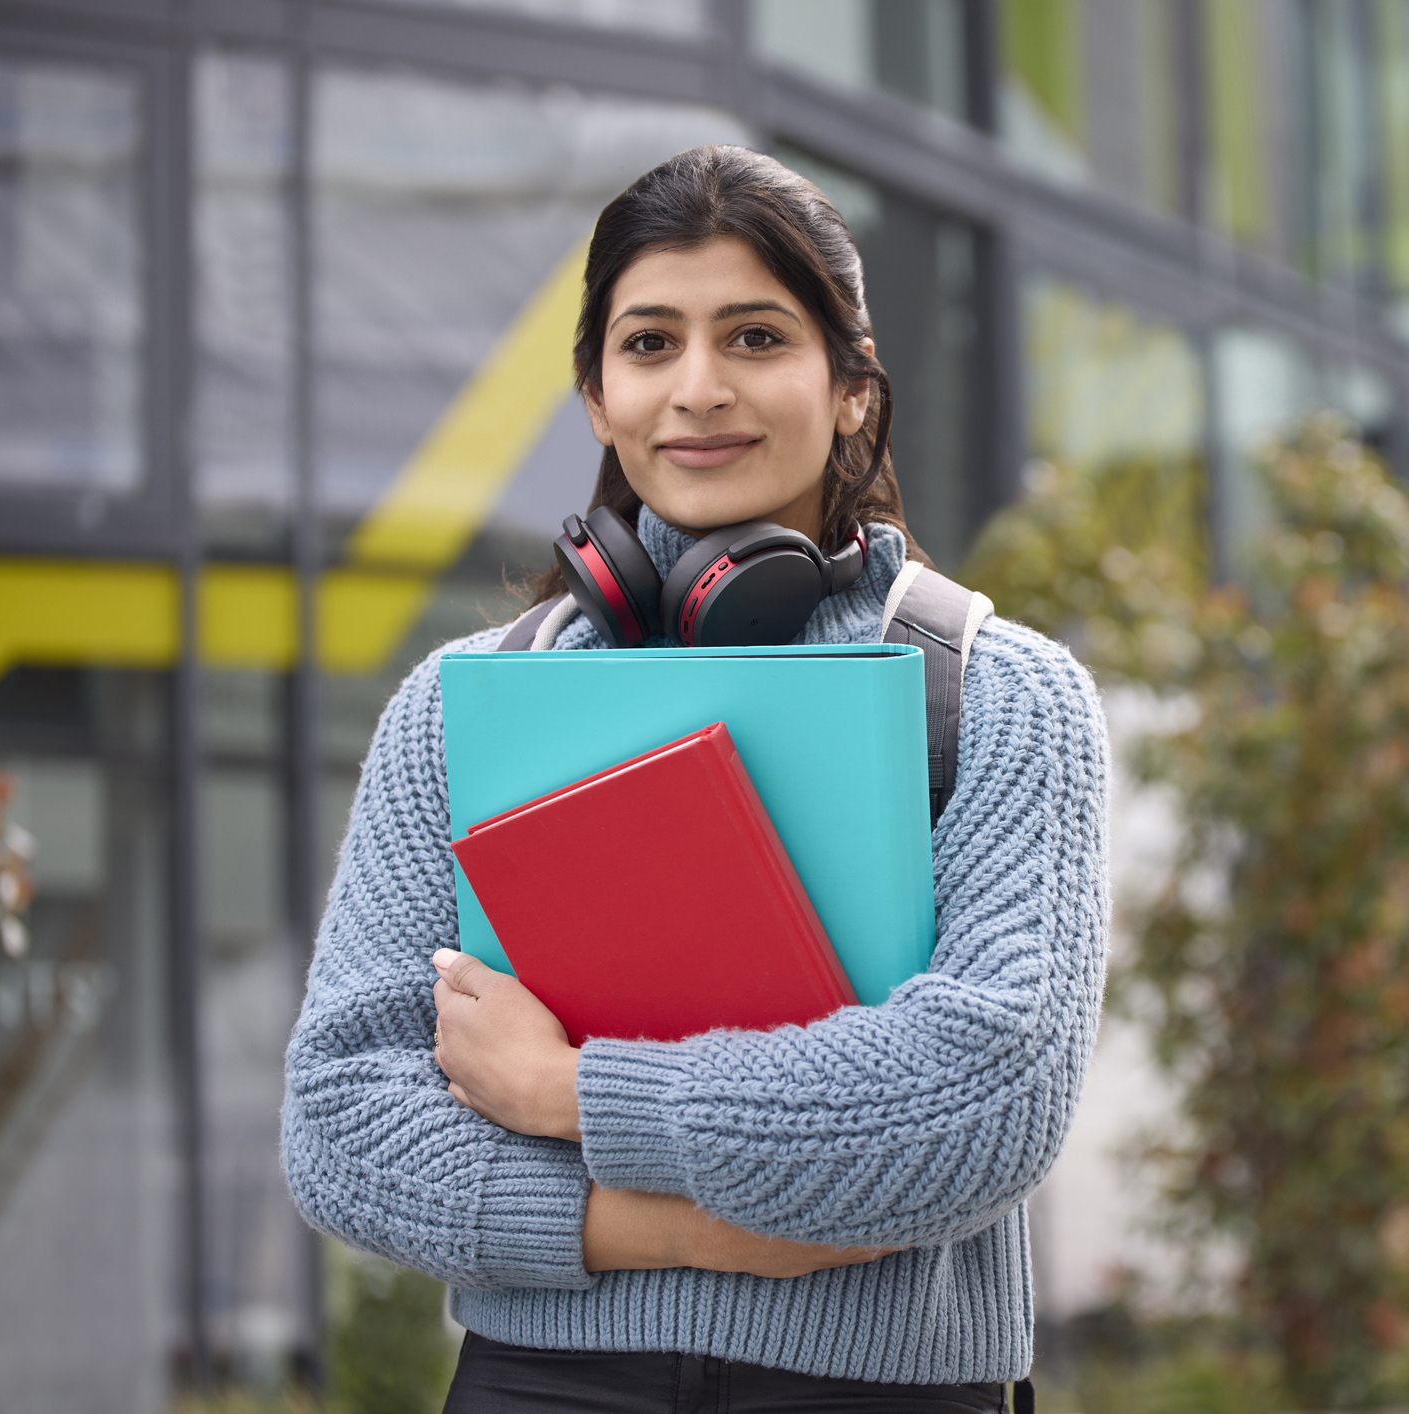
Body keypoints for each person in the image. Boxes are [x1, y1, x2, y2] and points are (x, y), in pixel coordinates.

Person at [281, 145, 1109, 1413]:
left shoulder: (1001, 692)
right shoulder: (457, 705)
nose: (700, 389)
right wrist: (690, 1230)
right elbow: (344, 1124)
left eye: (757, 336)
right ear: (598, 396)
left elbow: (980, 1099)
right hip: (538, 1383)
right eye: (651, 343)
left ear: (849, 390)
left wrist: (567, 1092)